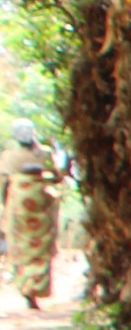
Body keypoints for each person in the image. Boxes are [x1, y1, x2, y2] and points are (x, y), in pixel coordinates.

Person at [3, 121, 59, 306]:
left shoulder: (8, 156)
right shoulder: (45, 153)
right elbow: (57, 176)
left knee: (21, 245)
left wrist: (6, 204)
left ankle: (26, 288)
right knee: (40, 247)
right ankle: (35, 287)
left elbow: (3, 184)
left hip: (18, 204)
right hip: (41, 203)